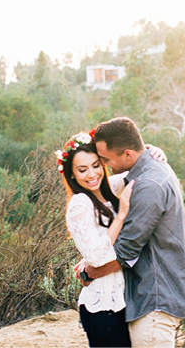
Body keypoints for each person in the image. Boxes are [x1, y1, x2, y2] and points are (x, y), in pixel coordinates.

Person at [80, 117, 185, 348]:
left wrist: (89, 273)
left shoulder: (149, 184)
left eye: (106, 160)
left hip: (155, 299)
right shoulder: (147, 169)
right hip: (150, 297)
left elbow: (126, 252)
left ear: (128, 154)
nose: (105, 165)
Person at [58, 130, 134, 347]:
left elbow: (138, 163)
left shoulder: (108, 189)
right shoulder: (80, 204)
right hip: (103, 308)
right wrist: (121, 216)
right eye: (82, 170)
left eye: (96, 165)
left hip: (124, 303)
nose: (91, 174)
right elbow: (97, 257)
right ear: (72, 175)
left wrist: (154, 151)